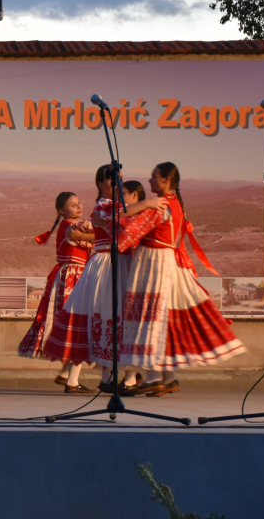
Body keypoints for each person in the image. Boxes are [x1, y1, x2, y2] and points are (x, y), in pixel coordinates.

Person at [117, 162, 246, 396]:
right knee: (162, 318)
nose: (150, 180)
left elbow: (127, 228)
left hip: (153, 264)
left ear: (166, 180)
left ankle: (154, 377)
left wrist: (139, 206)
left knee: (149, 317)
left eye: (154, 177)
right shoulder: (175, 203)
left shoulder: (158, 206)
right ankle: (169, 378)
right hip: (166, 261)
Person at [41, 166, 165, 392]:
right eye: (112, 179)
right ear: (101, 184)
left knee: (123, 318)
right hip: (108, 264)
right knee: (108, 315)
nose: (117, 183)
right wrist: (147, 203)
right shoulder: (103, 206)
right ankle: (110, 377)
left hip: (123, 262)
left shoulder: (119, 207)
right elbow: (115, 216)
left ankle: (125, 377)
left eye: (120, 179)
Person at [18, 192, 95, 393]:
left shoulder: (68, 225)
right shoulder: (73, 227)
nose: (78, 207)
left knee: (76, 326)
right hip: (74, 278)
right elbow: (98, 234)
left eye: (79, 203)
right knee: (79, 326)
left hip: (70, 277)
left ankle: (65, 374)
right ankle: (72, 381)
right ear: (62, 210)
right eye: (73, 205)